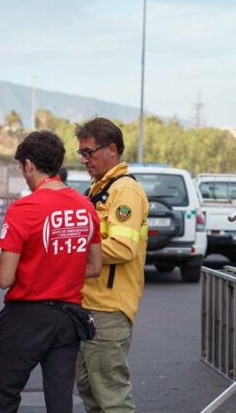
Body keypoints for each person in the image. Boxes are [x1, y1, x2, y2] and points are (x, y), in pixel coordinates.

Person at [0, 131, 102, 413]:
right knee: (60, 400)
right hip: (68, 318)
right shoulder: (86, 207)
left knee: (3, 394)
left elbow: (5, 279)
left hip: (25, 318)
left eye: (22, 169)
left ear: (29, 165)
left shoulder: (23, 209)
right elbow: (95, 267)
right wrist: (61, 271)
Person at [75, 117, 149, 413]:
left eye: (89, 152)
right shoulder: (98, 189)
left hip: (108, 306)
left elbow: (122, 246)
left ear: (112, 150)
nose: (84, 160)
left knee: (110, 394)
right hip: (90, 302)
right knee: (89, 386)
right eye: (81, 153)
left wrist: (73, 252)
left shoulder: (124, 191)